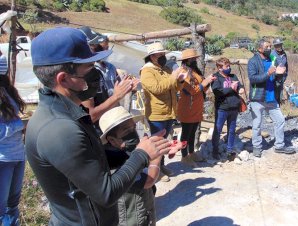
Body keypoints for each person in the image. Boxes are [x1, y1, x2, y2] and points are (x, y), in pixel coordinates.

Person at [25, 27, 173, 225]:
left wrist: (144, 150)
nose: (97, 74)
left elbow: (92, 159)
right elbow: (106, 193)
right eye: (89, 68)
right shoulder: (59, 129)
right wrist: (142, 155)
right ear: (64, 79)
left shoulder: (66, 112)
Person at [99, 107, 183, 226]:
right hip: (132, 219)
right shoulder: (113, 164)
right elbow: (148, 180)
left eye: (133, 128)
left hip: (145, 209)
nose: (133, 133)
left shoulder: (127, 149)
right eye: (127, 131)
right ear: (112, 140)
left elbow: (144, 156)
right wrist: (157, 157)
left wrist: (165, 146)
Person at [140, 42, 187, 181]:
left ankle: (161, 165)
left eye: (163, 54)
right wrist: (173, 77)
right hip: (157, 113)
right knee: (156, 143)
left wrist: (179, 81)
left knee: (164, 141)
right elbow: (157, 89)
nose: (163, 56)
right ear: (152, 56)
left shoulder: (165, 69)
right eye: (160, 55)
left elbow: (174, 88)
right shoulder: (146, 71)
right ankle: (155, 170)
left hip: (169, 111)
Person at [78, 26, 137, 128]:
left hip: (110, 120)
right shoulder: (84, 75)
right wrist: (116, 96)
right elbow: (90, 116)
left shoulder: (109, 68)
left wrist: (126, 89)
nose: (104, 51)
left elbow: (115, 91)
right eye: (94, 46)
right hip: (97, 126)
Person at [247, 39, 295, 158]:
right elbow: (253, 79)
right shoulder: (253, 61)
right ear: (260, 49)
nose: (270, 48)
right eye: (267, 47)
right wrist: (268, 73)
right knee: (257, 124)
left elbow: (275, 77)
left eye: (270, 46)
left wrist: (279, 75)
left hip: (271, 97)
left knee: (280, 120)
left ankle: (279, 146)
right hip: (257, 98)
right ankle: (257, 147)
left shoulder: (272, 60)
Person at [177, 49, 215, 167]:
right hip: (187, 107)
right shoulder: (183, 72)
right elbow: (189, 91)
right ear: (187, 60)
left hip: (196, 107)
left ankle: (192, 153)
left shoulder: (194, 71)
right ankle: (184, 156)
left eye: (195, 58)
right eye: (193, 58)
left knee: (193, 132)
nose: (195, 60)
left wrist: (208, 81)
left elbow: (201, 87)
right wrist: (204, 83)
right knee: (186, 133)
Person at [0, 54, 25, 226]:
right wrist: (19, 124)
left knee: (13, 204)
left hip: (18, 155)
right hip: (3, 159)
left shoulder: (7, 92)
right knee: (1, 208)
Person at [211, 57, 243, 161]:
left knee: (232, 130)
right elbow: (218, 92)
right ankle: (214, 151)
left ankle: (230, 151)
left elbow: (239, 85)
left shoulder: (233, 76)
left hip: (234, 108)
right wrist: (231, 88)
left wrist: (241, 88)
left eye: (229, 66)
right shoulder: (216, 78)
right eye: (226, 66)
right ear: (220, 68)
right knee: (218, 130)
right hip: (222, 108)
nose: (229, 68)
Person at [271, 38, 288, 105]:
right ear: (275, 46)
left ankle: (278, 113)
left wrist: (285, 76)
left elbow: (286, 65)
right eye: (277, 45)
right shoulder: (272, 55)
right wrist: (275, 75)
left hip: (281, 79)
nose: (279, 46)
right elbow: (271, 67)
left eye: (280, 45)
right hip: (275, 79)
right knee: (275, 97)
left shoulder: (284, 54)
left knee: (279, 97)